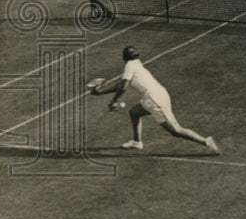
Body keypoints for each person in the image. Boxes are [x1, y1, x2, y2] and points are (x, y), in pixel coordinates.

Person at [89, 46, 220, 153]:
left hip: (154, 99)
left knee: (175, 130)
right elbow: (120, 84)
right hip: (155, 95)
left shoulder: (130, 65)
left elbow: (123, 87)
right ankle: (137, 142)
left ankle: (206, 141)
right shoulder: (136, 63)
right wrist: (99, 92)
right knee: (134, 113)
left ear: (125, 58)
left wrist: (114, 100)